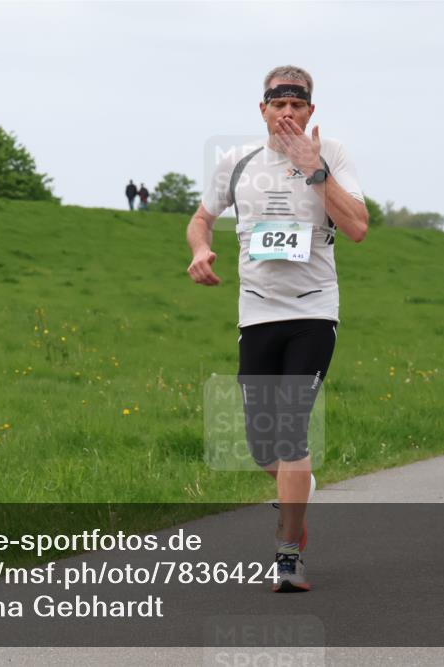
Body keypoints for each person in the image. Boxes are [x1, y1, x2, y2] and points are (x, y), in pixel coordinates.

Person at [186, 65, 368, 592]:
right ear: (262, 108)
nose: (287, 112)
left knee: (291, 430)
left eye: (298, 103)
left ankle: (288, 552)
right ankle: (298, 490)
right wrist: (200, 248)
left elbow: (356, 227)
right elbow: (200, 218)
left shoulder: (331, 154)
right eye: (277, 103)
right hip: (257, 312)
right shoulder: (237, 162)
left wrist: (315, 170)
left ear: (311, 109)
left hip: (313, 311)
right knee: (263, 446)